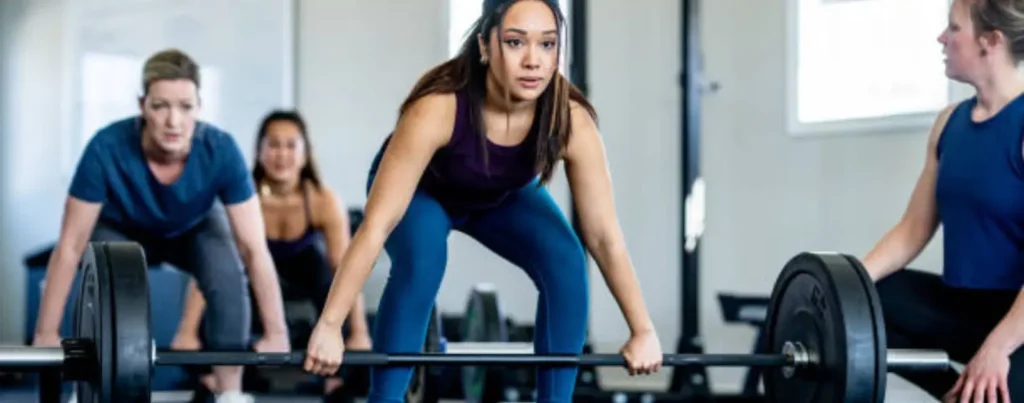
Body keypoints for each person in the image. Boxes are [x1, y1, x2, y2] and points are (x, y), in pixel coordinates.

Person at [302, 0, 664, 401]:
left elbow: (604, 237)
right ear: (485, 47)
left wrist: (642, 330)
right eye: (515, 42)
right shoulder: (437, 108)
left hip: (498, 196)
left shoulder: (569, 119)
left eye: (547, 44)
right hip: (423, 193)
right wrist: (331, 326)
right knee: (423, 263)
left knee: (566, 260)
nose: (533, 61)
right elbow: (376, 228)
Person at [32, 48, 290, 403]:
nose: (173, 121)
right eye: (160, 106)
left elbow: (254, 249)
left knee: (227, 267)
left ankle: (230, 392)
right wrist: (46, 333)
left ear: (200, 105)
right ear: (142, 106)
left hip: (194, 228)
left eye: (185, 106)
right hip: (122, 226)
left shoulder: (221, 150)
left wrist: (277, 332)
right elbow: (70, 246)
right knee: (102, 270)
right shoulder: (106, 148)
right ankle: (85, 390)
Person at [861, 0, 1024, 401]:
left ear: (991, 41)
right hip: (962, 306)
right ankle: (958, 392)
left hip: (1018, 319)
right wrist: (844, 282)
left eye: (953, 28)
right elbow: (912, 230)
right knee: (864, 305)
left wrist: (997, 347)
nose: (941, 38)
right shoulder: (949, 123)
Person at [170, 110, 374, 396]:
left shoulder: (323, 200)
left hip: (304, 270)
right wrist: (187, 331)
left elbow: (344, 267)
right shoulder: (240, 197)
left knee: (328, 275)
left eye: (291, 145)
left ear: (304, 154)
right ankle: (213, 380)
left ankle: (334, 381)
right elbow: (210, 265)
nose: (282, 154)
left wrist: (359, 333)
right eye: (274, 145)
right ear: (259, 151)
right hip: (253, 276)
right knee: (224, 277)